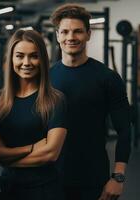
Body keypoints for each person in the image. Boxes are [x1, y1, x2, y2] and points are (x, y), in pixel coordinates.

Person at [49, 4, 131, 200]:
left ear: (88, 34)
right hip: (49, 178)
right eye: (65, 31)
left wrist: (118, 178)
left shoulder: (108, 78)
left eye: (77, 31)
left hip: (92, 179)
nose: (71, 37)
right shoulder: (45, 77)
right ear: (58, 35)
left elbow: (125, 130)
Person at [0, 29, 67, 200]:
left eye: (34, 56)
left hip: (44, 191)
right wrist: (32, 148)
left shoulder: (55, 99)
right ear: (11, 59)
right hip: (9, 190)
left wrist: (9, 161)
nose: (26, 62)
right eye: (19, 56)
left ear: (43, 60)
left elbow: (50, 153)